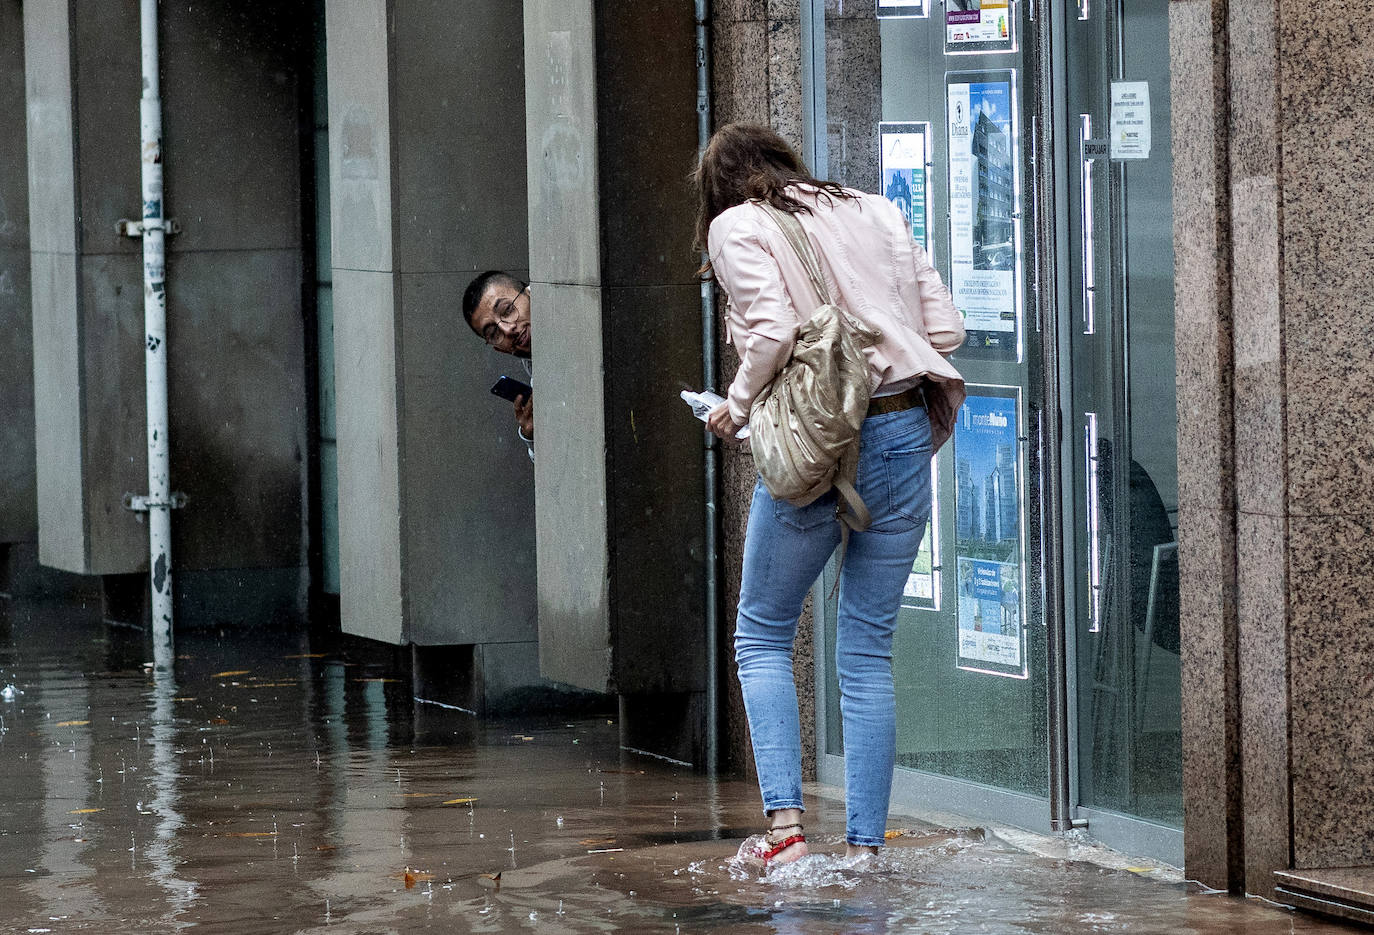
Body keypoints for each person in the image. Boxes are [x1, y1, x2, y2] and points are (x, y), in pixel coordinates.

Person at [693, 122, 966, 865]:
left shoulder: (735, 225)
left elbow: (775, 329)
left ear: (718, 189)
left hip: (820, 443)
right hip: (905, 425)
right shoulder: (875, 209)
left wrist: (737, 404)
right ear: (786, 162)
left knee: (760, 631)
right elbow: (945, 326)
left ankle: (785, 833)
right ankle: (865, 851)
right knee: (867, 646)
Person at [462, 270, 535, 460]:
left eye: (507, 310)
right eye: (494, 333)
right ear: (499, 350)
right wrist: (532, 436)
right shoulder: (535, 369)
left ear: (530, 292)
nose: (508, 328)